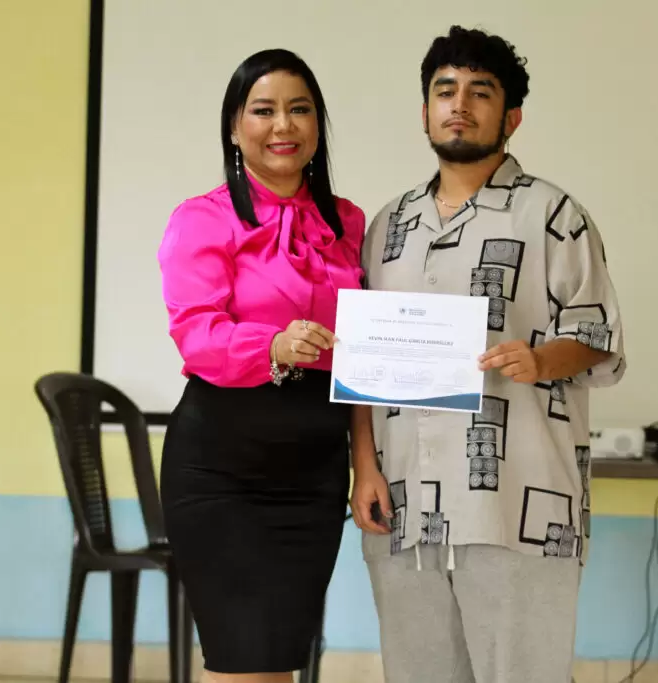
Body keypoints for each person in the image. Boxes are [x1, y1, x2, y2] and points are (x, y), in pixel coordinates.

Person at [350, 26, 627, 683]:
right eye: (444, 89)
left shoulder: (556, 215)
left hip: (518, 505)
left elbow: (598, 338)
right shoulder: (388, 226)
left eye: (480, 91)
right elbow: (361, 363)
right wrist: (364, 467)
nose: (459, 103)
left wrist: (539, 360)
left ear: (512, 115)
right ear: (425, 111)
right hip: (404, 504)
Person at [156, 48, 367, 683]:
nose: (283, 126)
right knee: (240, 662)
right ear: (234, 126)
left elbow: (362, 353)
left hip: (314, 476)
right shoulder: (202, 219)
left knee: (279, 662)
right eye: (264, 110)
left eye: (299, 110)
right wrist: (272, 346)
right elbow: (196, 334)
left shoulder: (350, 223)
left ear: (318, 125)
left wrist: (367, 466)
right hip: (222, 469)